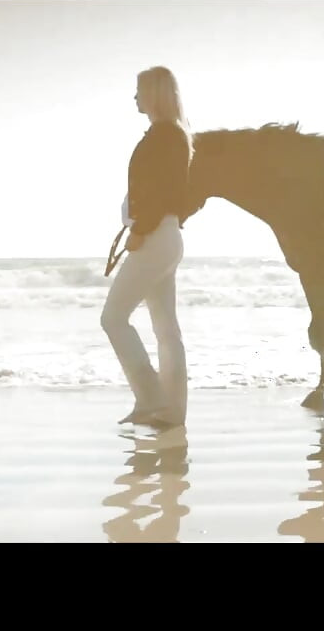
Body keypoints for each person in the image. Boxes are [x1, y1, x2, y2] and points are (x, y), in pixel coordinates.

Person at [101, 66, 193, 428]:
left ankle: (151, 398)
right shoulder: (172, 134)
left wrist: (141, 229)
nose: (135, 97)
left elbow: (163, 191)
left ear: (154, 93)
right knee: (166, 329)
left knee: (113, 318)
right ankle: (172, 413)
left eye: (139, 89)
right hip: (166, 235)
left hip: (155, 236)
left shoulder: (165, 136)